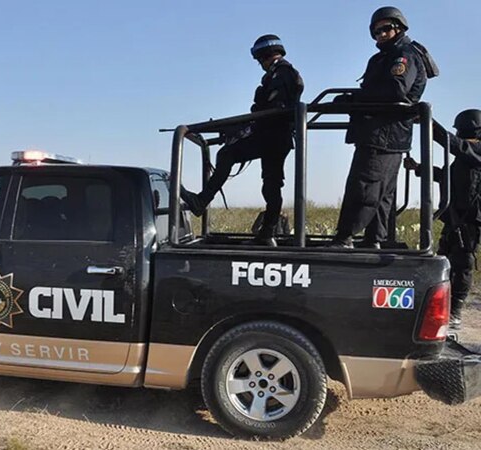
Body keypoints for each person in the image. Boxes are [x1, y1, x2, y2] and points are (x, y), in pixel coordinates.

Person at [181, 34, 304, 246]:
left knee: (227, 154)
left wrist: (245, 129)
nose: (260, 64)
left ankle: (202, 201)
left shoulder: (281, 73)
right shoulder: (281, 73)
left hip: (273, 136)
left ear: (265, 55)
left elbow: (275, 110)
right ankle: (267, 234)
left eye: (260, 60)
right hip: (276, 137)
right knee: (271, 185)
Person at [330, 6, 436, 248]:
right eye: (376, 31)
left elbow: (395, 91)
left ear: (398, 28)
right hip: (382, 133)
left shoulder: (403, 55)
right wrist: (352, 99)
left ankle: (344, 238)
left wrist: (355, 99)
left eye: (385, 29)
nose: (380, 35)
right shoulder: (383, 57)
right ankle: (373, 240)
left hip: (384, 134)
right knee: (381, 194)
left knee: (365, 187)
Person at [404, 109, 481, 329]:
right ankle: (441, 307)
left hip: (470, 221)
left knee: (463, 264)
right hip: (454, 220)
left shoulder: (475, 152)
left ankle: (455, 312)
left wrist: (430, 123)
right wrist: (419, 168)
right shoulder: (464, 159)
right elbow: (444, 177)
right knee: (445, 261)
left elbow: (455, 144)